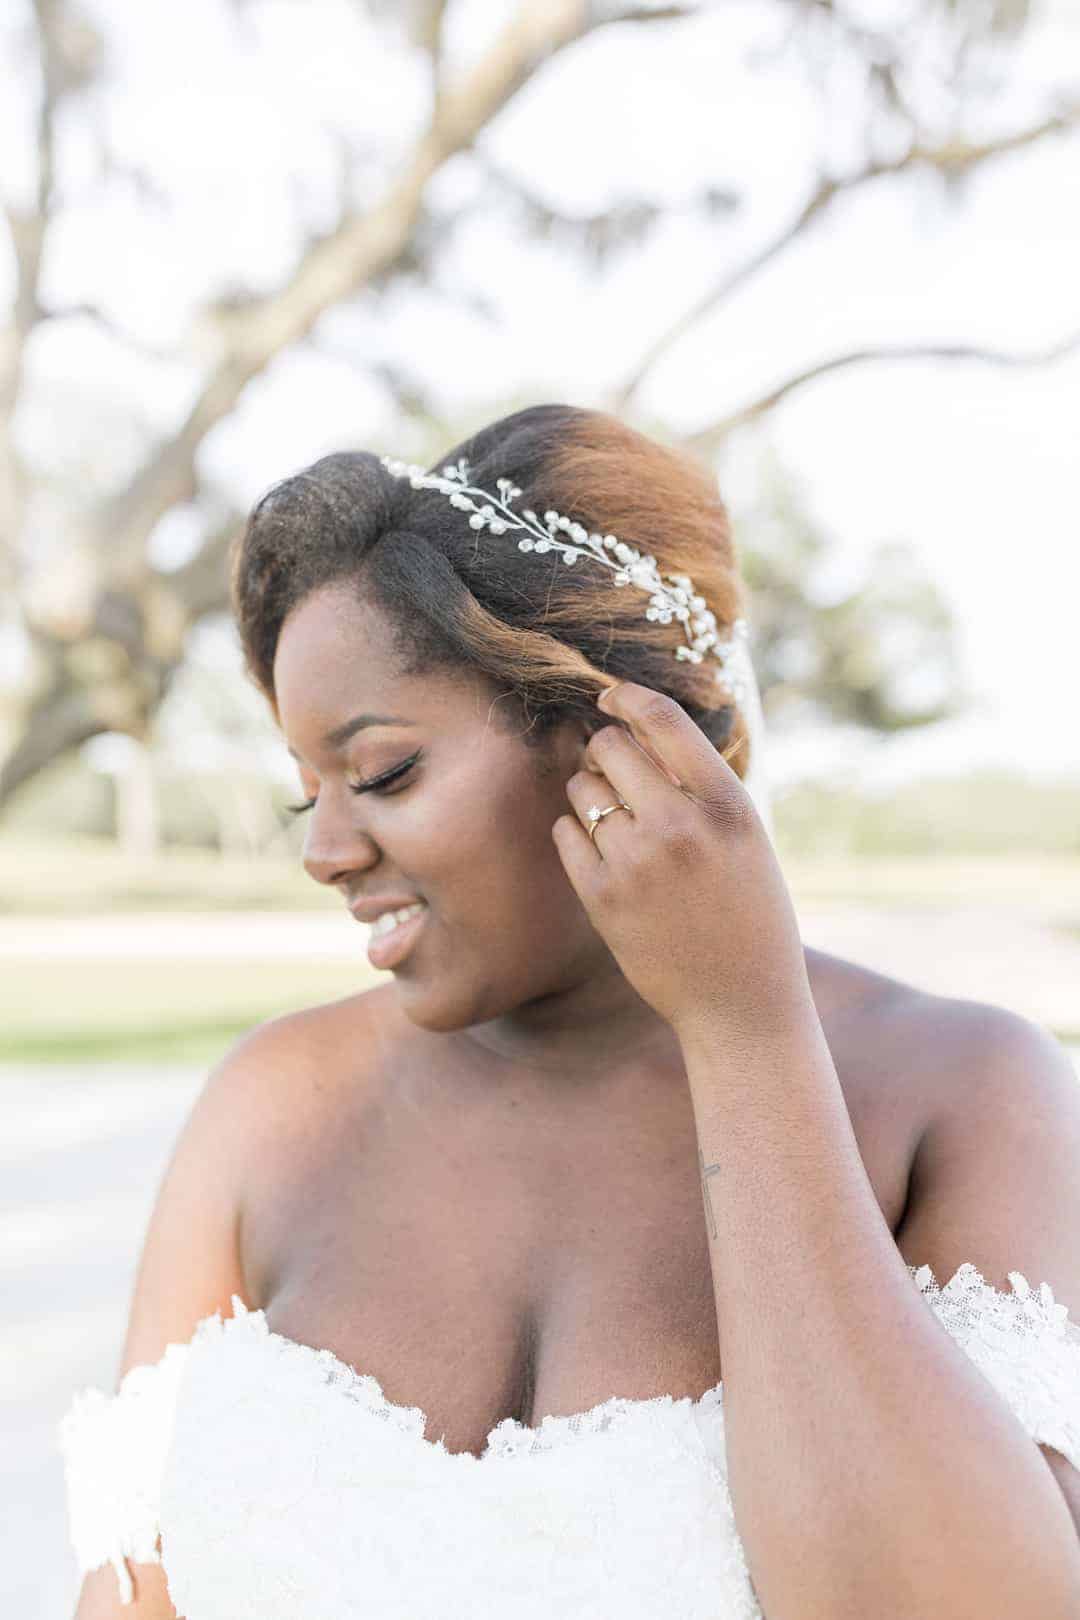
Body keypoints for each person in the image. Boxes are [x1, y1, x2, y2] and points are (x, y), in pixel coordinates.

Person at [61, 404, 1080, 1619]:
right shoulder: (272, 1108)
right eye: (306, 794)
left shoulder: (963, 1090)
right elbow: (129, 1596)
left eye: (383, 773)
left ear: (616, 737)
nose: (325, 851)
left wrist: (745, 1033)